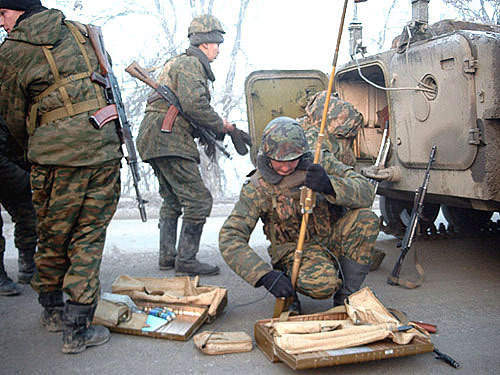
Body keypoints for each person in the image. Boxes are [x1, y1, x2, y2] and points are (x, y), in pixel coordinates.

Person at [0, 1, 122, 354]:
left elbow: (10, 115)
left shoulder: (11, 52)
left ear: (19, 10)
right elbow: (105, 81)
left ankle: (54, 311)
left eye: (3, 14)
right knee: (88, 235)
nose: (2, 23)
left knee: (52, 231)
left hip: (52, 157)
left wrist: (39, 145)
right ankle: (78, 327)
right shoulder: (82, 32)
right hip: (102, 147)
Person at [219, 117, 380, 311]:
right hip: (295, 250)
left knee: (366, 219)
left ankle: (347, 296)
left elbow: (366, 193)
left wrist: (330, 185)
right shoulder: (257, 188)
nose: (286, 167)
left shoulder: (321, 160)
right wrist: (264, 275)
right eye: (279, 161)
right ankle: (289, 286)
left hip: (331, 238)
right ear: (267, 156)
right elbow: (230, 237)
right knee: (323, 284)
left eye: (292, 160)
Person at [136, 14, 248, 276]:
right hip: (169, 137)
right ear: (204, 43)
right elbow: (195, 105)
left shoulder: (178, 63)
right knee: (198, 200)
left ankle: (168, 257)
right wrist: (224, 126)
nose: (218, 49)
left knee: (173, 199)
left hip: (155, 137)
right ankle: (186, 261)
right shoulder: (190, 64)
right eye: (216, 43)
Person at [298, 90, 385, 270]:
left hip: (326, 220)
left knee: (363, 216)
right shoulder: (318, 144)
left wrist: (333, 185)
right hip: (305, 232)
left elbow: (362, 191)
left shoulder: (302, 130)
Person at [0, 115, 37, 296]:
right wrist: (27, 180)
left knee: (29, 216)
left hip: (11, 168)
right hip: (7, 169)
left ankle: (27, 267)